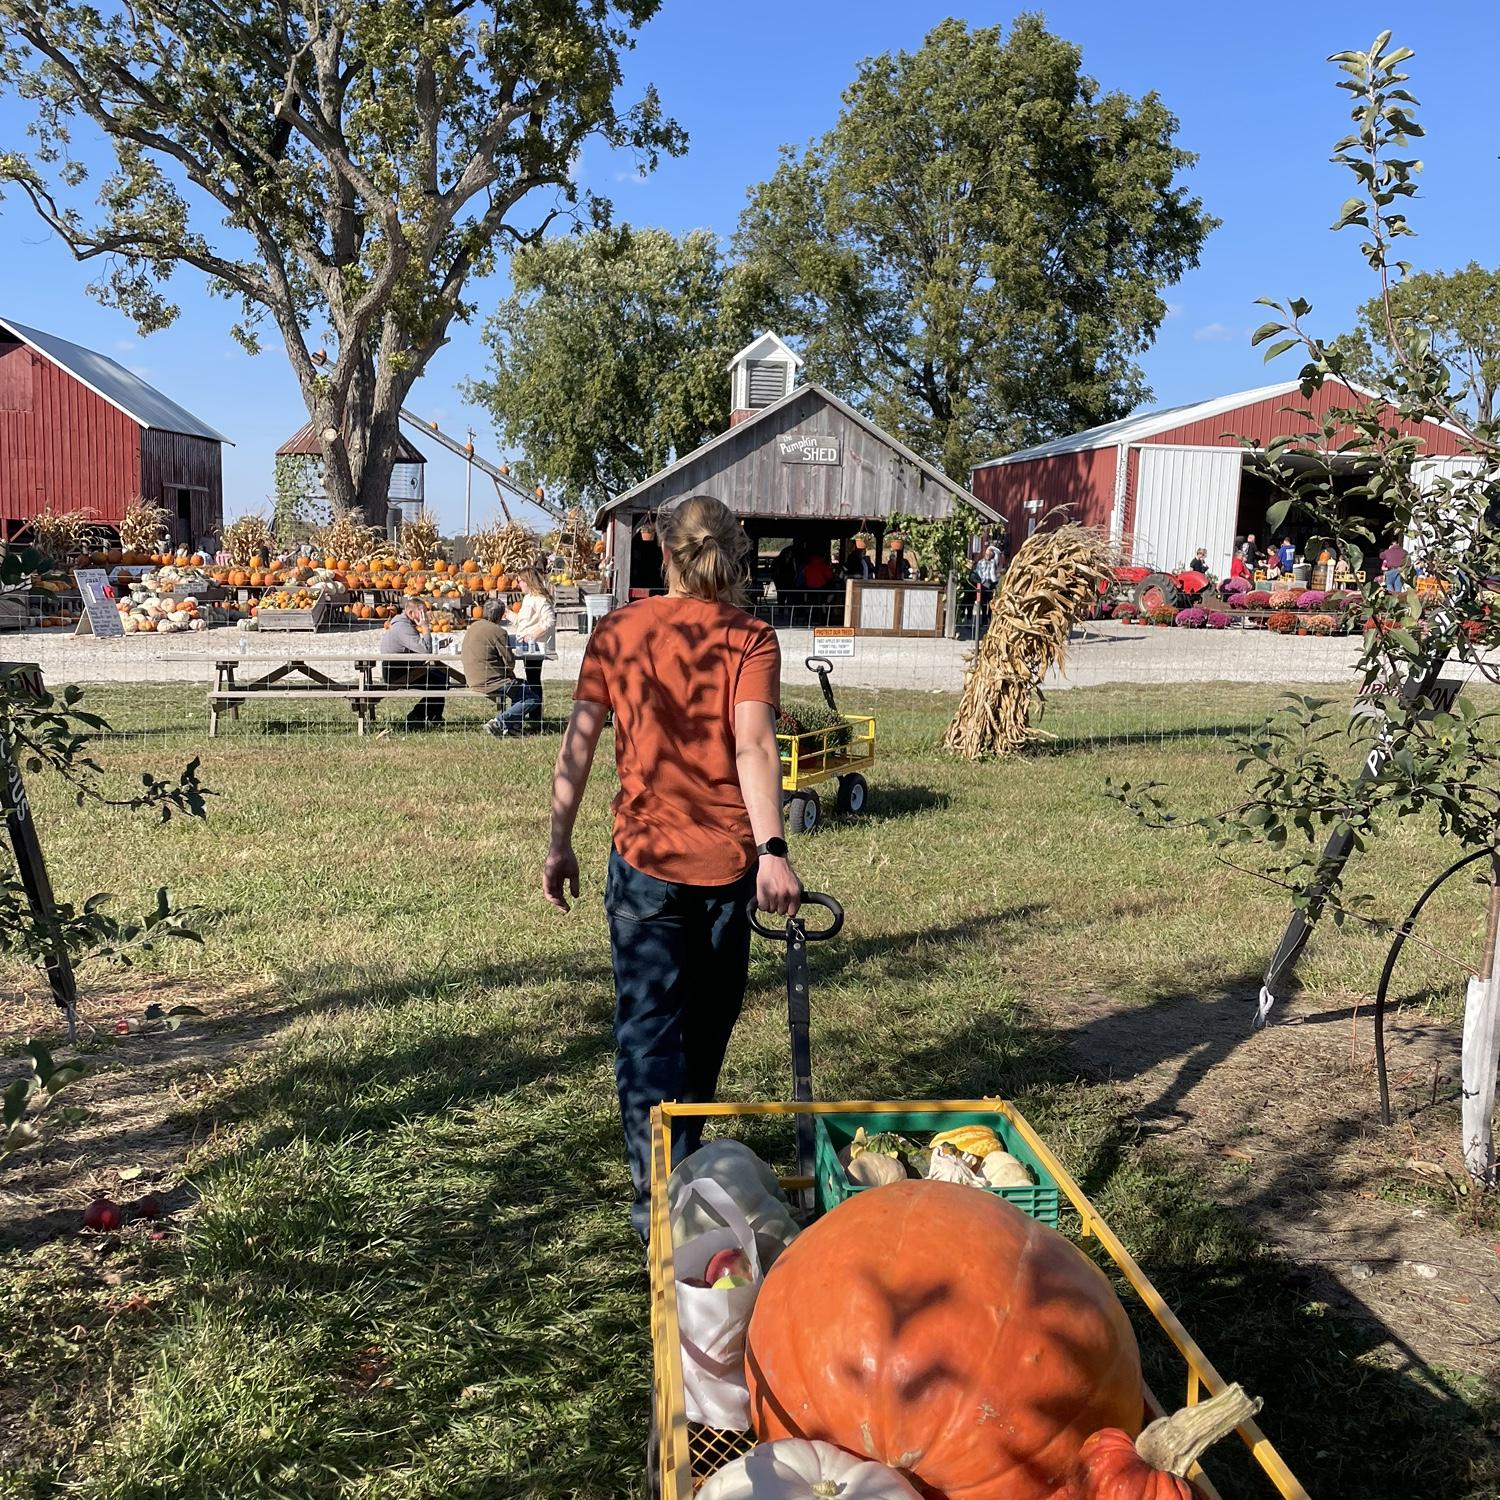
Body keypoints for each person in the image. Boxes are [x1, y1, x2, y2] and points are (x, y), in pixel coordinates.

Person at [544, 494, 802, 1238]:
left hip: (645, 868)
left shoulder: (619, 630)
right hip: (726, 870)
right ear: (734, 555)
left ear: (663, 552)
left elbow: (579, 745)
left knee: (648, 1035)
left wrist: (559, 842)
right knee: (704, 1030)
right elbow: (754, 748)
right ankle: (674, 1190)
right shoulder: (751, 638)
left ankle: (660, 1197)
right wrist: (773, 852)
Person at [503, 569, 556, 733]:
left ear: (528, 581)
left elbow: (550, 621)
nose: (518, 585)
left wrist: (533, 635)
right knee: (531, 677)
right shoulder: (528, 599)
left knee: (533, 679)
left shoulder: (540, 600)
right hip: (526, 647)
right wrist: (508, 613)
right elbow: (523, 622)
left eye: (520, 581)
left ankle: (535, 716)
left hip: (535, 648)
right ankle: (531, 714)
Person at [383, 600, 447, 728]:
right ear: (411, 613)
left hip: (404, 667)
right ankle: (417, 716)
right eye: (422, 613)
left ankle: (433, 716)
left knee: (441, 676)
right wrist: (425, 627)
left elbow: (416, 647)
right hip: (397, 672)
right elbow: (425, 651)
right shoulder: (403, 627)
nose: (425, 617)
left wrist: (438, 645)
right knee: (439, 681)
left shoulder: (404, 624)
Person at [460, 599, 517, 738]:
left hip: (472, 678)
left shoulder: (472, 627)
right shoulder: (499, 632)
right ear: (501, 615)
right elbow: (510, 663)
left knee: (520, 688)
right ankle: (499, 722)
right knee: (530, 696)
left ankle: (513, 726)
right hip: (492, 681)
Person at [974, 543, 1001, 634]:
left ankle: (990, 621)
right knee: (983, 605)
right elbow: (978, 572)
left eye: (989, 554)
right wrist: (981, 580)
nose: (988, 555)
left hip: (992, 584)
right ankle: (984, 622)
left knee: (991, 603)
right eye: (987, 553)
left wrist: (991, 547)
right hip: (984, 584)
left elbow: (999, 552)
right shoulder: (980, 562)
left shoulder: (994, 562)